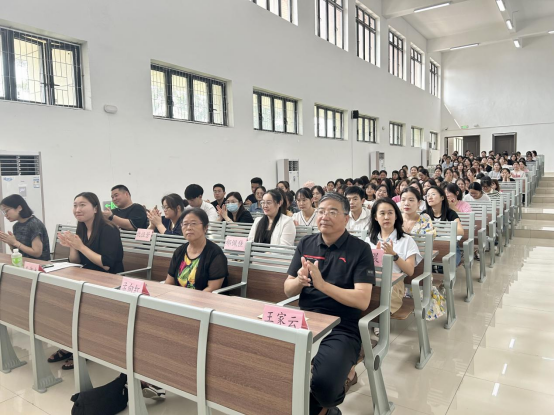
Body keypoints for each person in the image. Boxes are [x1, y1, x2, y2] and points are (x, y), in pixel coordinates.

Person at [285, 193, 375, 416]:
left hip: (341, 326)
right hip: (304, 321)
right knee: (269, 368)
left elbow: (362, 300)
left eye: (332, 212)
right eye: (321, 211)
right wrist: (300, 281)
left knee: (325, 387)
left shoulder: (360, 249)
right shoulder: (306, 243)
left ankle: (327, 404)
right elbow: (287, 289)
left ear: (346, 218)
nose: (324, 216)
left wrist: (323, 285)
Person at [49, 192, 124, 371]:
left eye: (82, 205)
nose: (77, 209)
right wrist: (73, 247)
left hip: (109, 280)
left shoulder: (108, 229)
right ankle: (69, 345)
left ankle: (83, 350)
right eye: (75, 205)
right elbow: (75, 261)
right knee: (62, 300)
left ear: (95, 208)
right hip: (87, 277)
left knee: (80, 306)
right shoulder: (81, 228)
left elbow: (106, 264)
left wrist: (81, 246)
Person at [367, 198, 421, 315]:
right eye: (382, 213)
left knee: (383, 296)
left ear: (396, 216)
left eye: (390, 213)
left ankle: (378, 319)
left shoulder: (407, 240)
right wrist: (375, 256)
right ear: (375, 217)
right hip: (371, 280)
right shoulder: (369, 240)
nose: (386, 217)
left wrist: (393, 255)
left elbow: (410, 271)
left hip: (394, 284)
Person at [165, 208, 228, 291]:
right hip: (178, 296)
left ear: (205, 227)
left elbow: (212, 288)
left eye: (193, 223)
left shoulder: (215, 254)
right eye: (185, 224)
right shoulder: (179, 251)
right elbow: (169, 282)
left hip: (204, 298)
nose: (189, 228)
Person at [0, 194, 50, 261]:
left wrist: (15, 242)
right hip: (24, 262)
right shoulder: (16, 226)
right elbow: (19, 252)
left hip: (39, 264)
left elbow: (37, 253)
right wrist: (11, 244)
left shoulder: (34, 224)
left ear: (19, 208)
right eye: (4, 212)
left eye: (7, 211)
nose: (5, 215)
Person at [425, 186, 464, 265]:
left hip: (449, 247)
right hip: (429, 247)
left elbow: (460, 231)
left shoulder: (450, 213)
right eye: (427, 195)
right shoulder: (424, 214)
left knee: (448, 265)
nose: (430, 197)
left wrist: (441, 231)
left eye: (433, 194)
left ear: (442, 197)